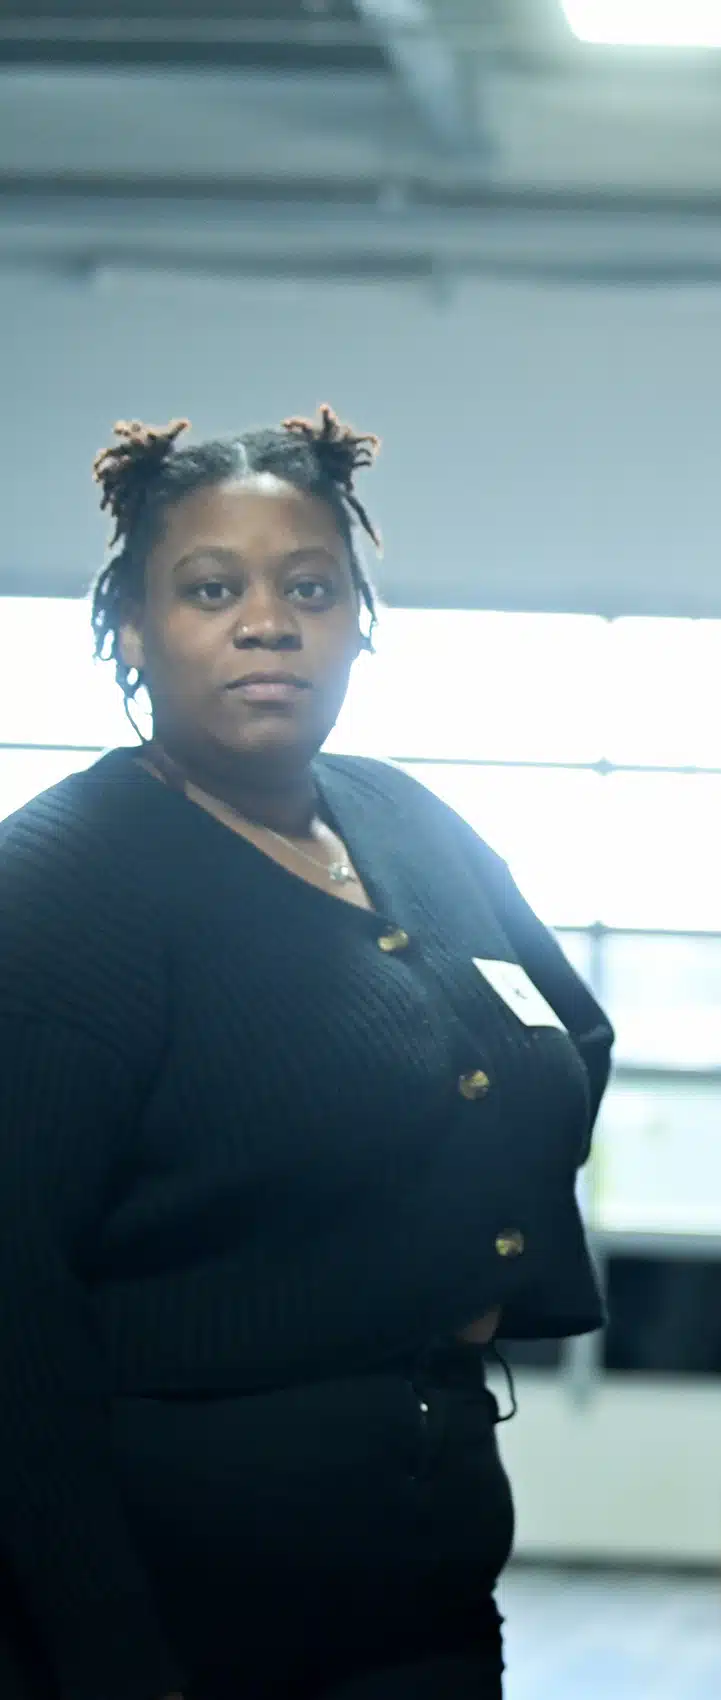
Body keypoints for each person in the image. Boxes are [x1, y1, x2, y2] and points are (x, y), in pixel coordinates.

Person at [0, 412, 611, 1700]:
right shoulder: (59, 891)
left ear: (357, 625)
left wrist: (484, 1260)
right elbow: (15, 1318)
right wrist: (105, 1655)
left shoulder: (407, 821)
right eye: (211, 589)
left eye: (311, 590)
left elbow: (568, 1039)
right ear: (131, 628)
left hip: (426, 1588)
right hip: (169, 1618)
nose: (268, 624)